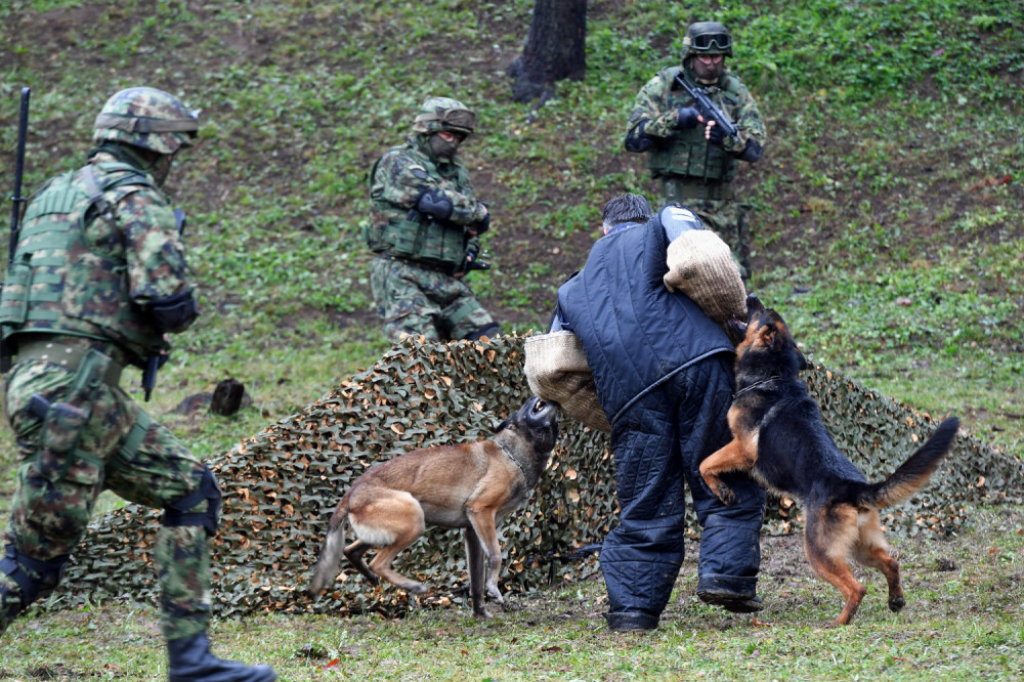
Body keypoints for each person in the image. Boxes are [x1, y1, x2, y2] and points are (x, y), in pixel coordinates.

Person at [0, 87, 276, 681]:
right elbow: (170, 300)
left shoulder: (53, 195)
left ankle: (193, 663)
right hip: (76, 392)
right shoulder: (134, 195)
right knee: (33, 560)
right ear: (155, 146)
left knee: (191, 489)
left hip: (57, 385)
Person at [552, 194, 767, 632]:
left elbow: (550, 364)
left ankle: (633, 611)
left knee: (645, 499)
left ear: (603, 230)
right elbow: (702, 259)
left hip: (630, 397)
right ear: (643, 219)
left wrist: (608, 405)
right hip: (697, 364)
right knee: (724, 470)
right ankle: (726, 579)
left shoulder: (571, 288)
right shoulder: (663, 223)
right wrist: (735, 320)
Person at [624, 21, 767, 278]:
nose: (712, 63)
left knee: (731, 281)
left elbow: (755, 148)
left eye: (717, 57)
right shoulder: (664, 86)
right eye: (705, 57)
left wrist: (728, 139)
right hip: (675, 207)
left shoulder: (734, 92)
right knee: (679, 280)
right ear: (690, 56)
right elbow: (633, 138)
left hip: (722, 209)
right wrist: (675, 120)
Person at [366, 96, 498, 343]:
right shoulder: (398, 161)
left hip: (445, 280)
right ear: (427, 130)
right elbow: (436, 202)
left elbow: (470, 225)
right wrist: (479, 212)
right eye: (448, 135)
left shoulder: (455, 172)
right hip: (403, 274)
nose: (454, 142)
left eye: (459, 137)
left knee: (489, 346)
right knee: (423, 356)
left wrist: (468, 252)